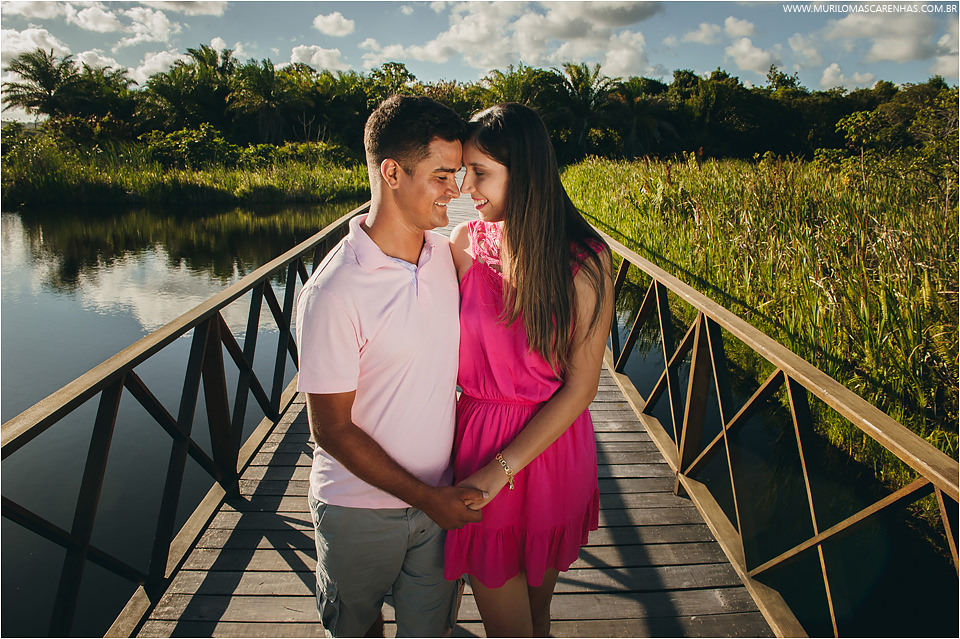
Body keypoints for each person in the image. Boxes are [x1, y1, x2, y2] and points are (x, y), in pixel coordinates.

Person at [295, 94, 484, 638]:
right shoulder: (335, 290)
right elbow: (328, 428)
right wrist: (429, 499)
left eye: (460, 175)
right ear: (392, 171)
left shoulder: (445, 255)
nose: (458, 191)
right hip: (358, 510)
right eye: (443, 176)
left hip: (437, 504)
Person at [444, 103, 614, 637]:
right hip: (475, 442)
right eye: (464, 170)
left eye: (482, 172)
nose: (467, 186)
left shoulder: (584, 260)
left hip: (547, 452)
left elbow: (581, 387)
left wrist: (501, 471)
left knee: (537, 618)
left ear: (526, 171)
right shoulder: (465, 243)